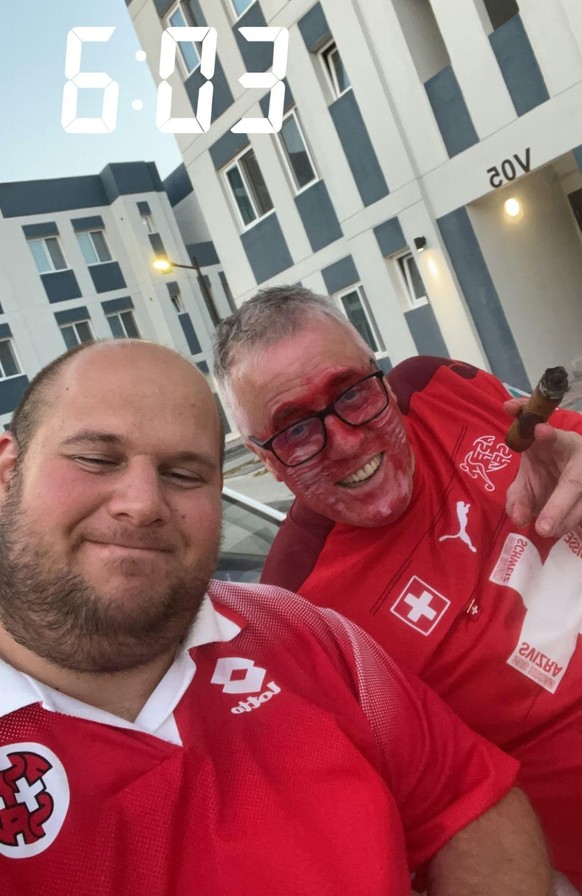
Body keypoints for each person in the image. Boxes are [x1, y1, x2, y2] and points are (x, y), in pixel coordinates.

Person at [0, 339, 551, 896]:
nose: (142, 504)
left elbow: (467, 803)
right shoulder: (308, 581)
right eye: (97, 459)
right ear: (6, 470)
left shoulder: (300, 631)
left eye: (185, 474)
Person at [214, 285, 582, 894]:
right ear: (265, 462)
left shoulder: (439, 386)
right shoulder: (302, 606)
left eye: (352, 393)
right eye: (296, 431)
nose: (348, 441)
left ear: (380, 379)